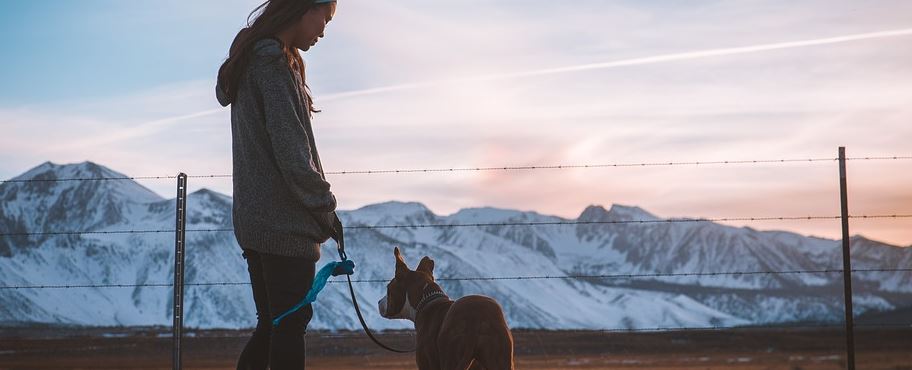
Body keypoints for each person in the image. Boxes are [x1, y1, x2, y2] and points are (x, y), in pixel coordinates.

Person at [215, 0, 339, 369]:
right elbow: (293, 155)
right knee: (288, 326)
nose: (323, 30)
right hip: (283, 224)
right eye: (324, 18)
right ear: (303, 8)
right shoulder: (272, 67)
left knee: (274, 325)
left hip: (258, 221)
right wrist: (325, 206)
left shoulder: (257, 62)